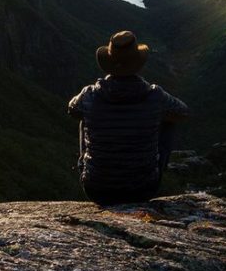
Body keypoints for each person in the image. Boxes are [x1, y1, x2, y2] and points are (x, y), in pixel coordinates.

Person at [68, 30, 189, 205]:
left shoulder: (89, 95)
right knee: (169, 120)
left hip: (96, 189)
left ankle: (86, 165)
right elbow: (183, 112)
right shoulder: (155, 95)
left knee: (84, 117)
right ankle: (155, 167)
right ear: (138, 63)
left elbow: (72, 109)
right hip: (143, 189)